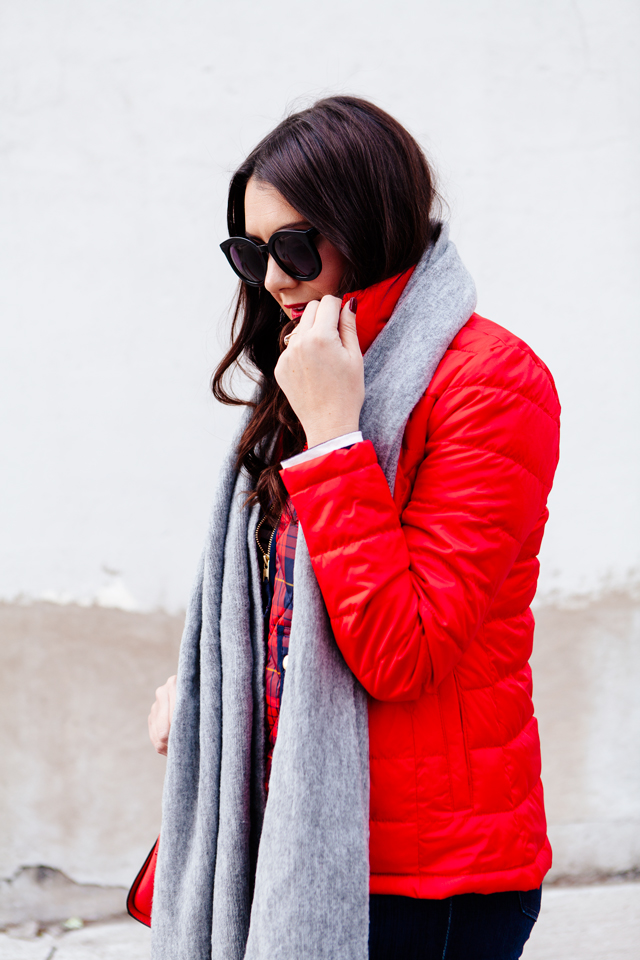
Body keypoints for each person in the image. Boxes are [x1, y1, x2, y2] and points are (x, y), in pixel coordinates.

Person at [147, 96, 560, 960]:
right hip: (292, 842)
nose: (271, 279)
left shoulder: (491, 383)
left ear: (367, 227)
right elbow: (290, 599)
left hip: (424, 882)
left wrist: (337, 438)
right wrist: (207, 691)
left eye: (293, 248)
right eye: (249, 253)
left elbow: (402, 652)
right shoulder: (314, 372)